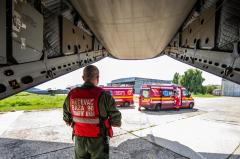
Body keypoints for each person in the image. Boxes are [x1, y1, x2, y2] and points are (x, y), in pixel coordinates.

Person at [63, 65, 122, 159]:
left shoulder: (71, 94)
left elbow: (66, 118)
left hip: (79, 139)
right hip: (99, 141)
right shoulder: (104, 95)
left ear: (83, 78)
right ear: (98, 78)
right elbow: (116, 121)